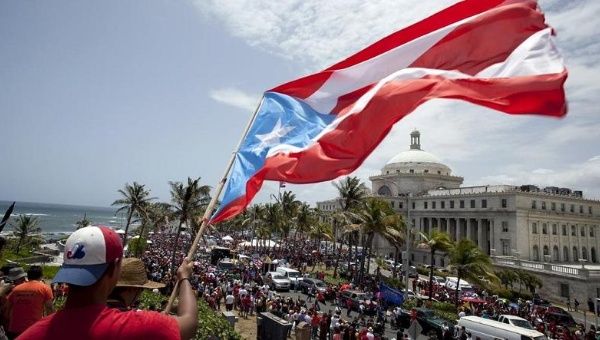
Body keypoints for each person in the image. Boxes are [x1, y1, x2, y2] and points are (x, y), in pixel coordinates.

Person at [18, 226, 198, 340]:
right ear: (114, 270)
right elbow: (189, 322)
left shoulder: (32, 334)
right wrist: (184, 277)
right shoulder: (141, 326)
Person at [6, 266, 53, 338]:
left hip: (14, 328)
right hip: (33, 329)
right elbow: (49, 307)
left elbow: (7, 308)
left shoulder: (16, 289)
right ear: (41, 276)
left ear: (27, 276)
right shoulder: (45, 288)